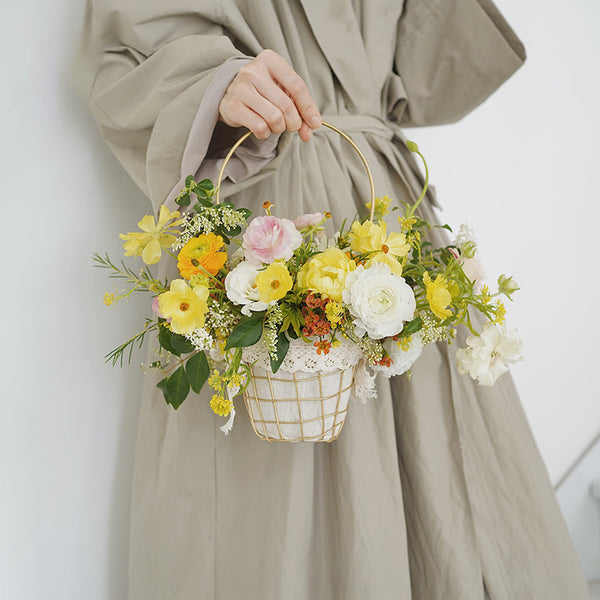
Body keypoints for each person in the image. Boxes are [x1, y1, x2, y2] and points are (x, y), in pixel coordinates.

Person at [82, 1, 590, 598]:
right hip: (267, 210)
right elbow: (128, 53)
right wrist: (217, 83)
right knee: (281, 502)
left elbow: (428, 70)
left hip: (388, 213)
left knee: (438, 473)